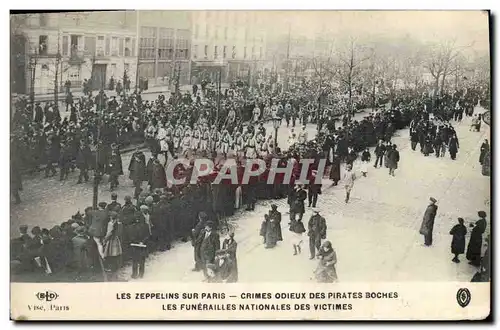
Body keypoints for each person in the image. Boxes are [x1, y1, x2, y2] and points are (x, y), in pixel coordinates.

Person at [128, 212, 150, 279]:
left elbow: (131, 237)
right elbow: (148, 235)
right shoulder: (146, 225)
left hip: (135, 245)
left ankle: (134, 274)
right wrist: (142, 242)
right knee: (142, 260)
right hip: (143, 245)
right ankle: (141, 274)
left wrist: (136, 241)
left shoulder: (132, 226)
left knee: (135, 260)